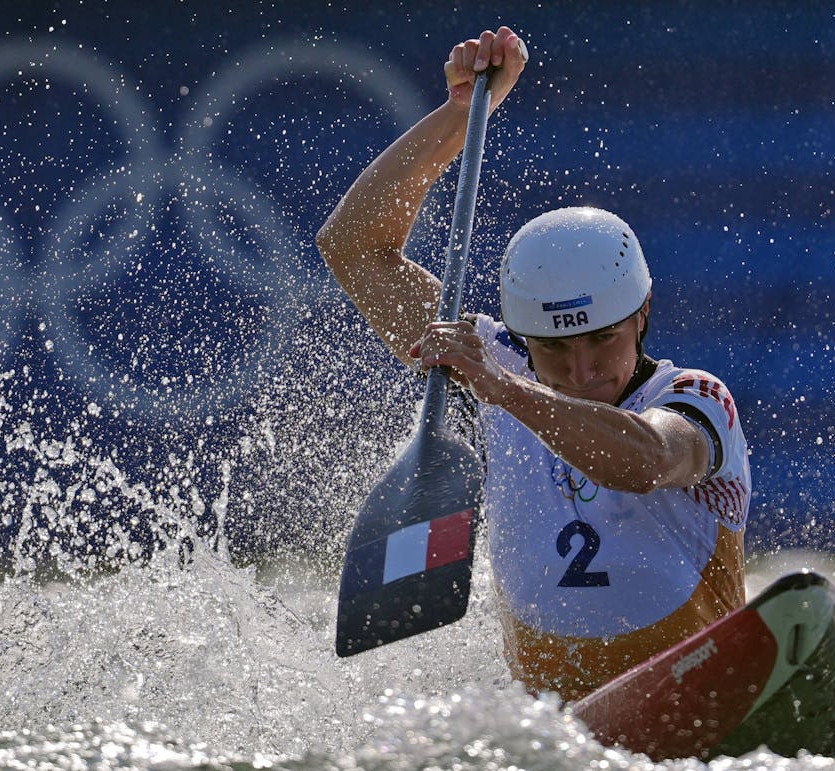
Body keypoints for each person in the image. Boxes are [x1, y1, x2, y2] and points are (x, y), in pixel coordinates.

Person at [317, 27, 750, 702]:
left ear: (642, 314)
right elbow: (353, 246)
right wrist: (463, 115)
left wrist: (504, 386)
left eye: (601, 341)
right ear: (524, 336)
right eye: (552, 347)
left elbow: (644, 462)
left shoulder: (696, 398)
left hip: (697, 697)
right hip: (551, 733)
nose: (581, 370)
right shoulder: (490, 364)